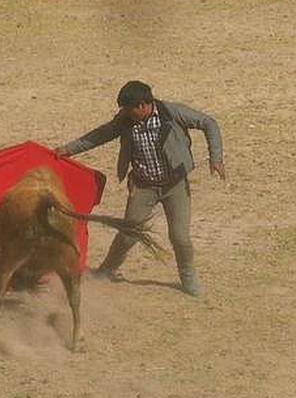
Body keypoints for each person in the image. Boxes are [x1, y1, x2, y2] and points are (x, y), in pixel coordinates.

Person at [54, 80, 225, 295]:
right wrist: (69, 149)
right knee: (129, 233)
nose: (125, 113)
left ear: (143, 106)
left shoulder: (171, 113)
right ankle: (106, 270)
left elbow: (208, 123)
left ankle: (189, 277)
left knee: (179, 236)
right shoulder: (125, 121)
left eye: (128, 108)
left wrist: (215, 157)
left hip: (175, 185)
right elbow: (99, 135)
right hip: (144, 186)